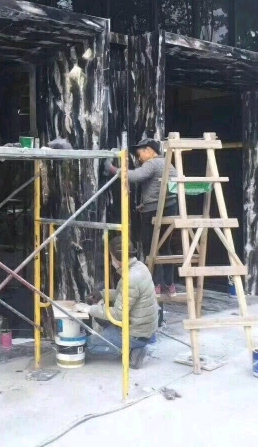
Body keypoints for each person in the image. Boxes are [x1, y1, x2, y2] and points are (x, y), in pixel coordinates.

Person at [105, 138, 178, 296]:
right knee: (165, 247)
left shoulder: (152, 164)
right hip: (170, 208)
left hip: (154, 211)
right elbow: (161, 190)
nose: (139, 158)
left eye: (140, 154)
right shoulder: (168, 164)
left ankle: (155, 284)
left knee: (150, 247)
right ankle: (169, 284)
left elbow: (134, 176)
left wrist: (112, 168)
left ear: (149, 151)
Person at [84, 236, 159, 369]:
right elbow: (123, 294)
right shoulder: (140, 267)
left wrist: (88, 309)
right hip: (145, 327)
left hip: (137, 333)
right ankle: (136, 346)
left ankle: (136, 348)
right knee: (102, 319)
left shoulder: (130, 278)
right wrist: (102, 294)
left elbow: (118, 314)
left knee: (89, 345)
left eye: (111, 256)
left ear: (116, 258)